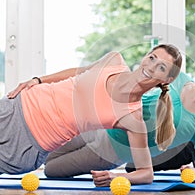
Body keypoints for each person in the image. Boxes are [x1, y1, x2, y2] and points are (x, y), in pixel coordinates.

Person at [1, 44, 182, 186]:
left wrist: (114, 176)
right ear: (145, 56)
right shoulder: (114, 61)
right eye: (152, 58)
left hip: (29, 147)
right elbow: (77, 72)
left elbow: (146, 173)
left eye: (161, 67)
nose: (150, 67)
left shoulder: (133, 118)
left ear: (167, 79)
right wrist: (38, 80)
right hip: (15, 108)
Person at [43, 59, 195, 185]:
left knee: (50, 170)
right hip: (106, 123)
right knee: (45, 149)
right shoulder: (179, 78)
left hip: (112, 151)